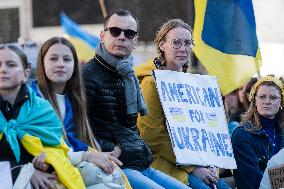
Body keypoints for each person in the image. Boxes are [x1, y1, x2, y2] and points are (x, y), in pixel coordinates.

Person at [83, 9, 190, 189]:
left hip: (138, 161)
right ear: (102, 35)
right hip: (113, 163)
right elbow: (78, 127)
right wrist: (111, 148)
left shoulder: (127, 74)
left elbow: (132, 128)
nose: (122, 37)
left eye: (129, 33)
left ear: (135, 41)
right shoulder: (87, 75)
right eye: (115, 31)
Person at [135, 19, 231, 189]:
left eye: (187, 43)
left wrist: (208, 162)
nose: (183, 48)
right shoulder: (151, 83)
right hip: (165, 165)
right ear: (162, 44)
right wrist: (192, 167)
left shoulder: (193, 84)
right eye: (176, 42)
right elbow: (152, 136)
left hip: (196, 166)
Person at [30, 37, 131, 188]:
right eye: (53, 59)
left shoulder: (74, 99)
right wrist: (89, 155)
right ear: (42, 63)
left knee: (113, 175)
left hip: (69, 160)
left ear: (75, 65)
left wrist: (106, 152)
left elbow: (70, 139)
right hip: (44, 167)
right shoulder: (31, 98)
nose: (60, 64)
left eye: (66, 59)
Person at [0, 44, 85, 189]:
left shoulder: (41, 109)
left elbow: (56, 149)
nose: (3, 70)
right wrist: (23, 171)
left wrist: (45, 163)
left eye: (11, 65)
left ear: (25, 74)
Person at [232, 76, 284, 189]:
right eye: (262, 97)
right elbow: (252, 182)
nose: (267, 102)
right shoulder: (242, 135)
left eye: (273, 97)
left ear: (281, 103)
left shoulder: (282, 133)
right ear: (254, 101)